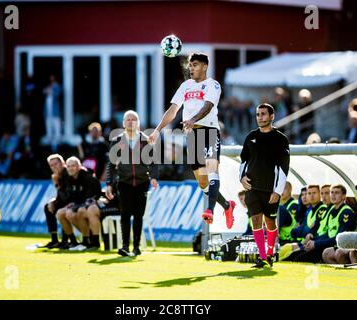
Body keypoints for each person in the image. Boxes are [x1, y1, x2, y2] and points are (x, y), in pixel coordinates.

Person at [148, 52, 235, 229]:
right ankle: (227, 206)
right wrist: (157, 130)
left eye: (195, 64)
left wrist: (193, 119)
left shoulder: (213, 85)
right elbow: (173, 109)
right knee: (202, 182)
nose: (191, 68)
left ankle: (209, 210)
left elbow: (208, 106)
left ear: (204, 66)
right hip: (192, 135)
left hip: (209, 131)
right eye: (190, 65)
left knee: (212, 171)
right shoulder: (185, 86)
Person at [239, 103, 290, 268]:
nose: (259, 117)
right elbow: (243, 161)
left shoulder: (281, 139)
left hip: (270, 190)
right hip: (252, 188)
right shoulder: (251, 136)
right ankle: (262, 257)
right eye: (257, 114)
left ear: (271, 116)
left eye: (263, 114)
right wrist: (241, 178)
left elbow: (284, 167)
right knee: (255, 220)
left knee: (270, 223)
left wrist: (278, 191)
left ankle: (270, 253)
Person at [106, 110, 159, 257]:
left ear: (138, 123)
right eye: (128, 119)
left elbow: (154, 162)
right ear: (123, 123)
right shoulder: (117, 140)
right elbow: (110, 164)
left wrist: (154, 177)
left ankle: (136, 247)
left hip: (142, 182)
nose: (130, 121)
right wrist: (109, 184)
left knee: (138, 215)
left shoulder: (146, 140)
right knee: (125, 214)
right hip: (124, 182)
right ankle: (124, 246)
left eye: (133, 119)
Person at [56, 157, 102, 250]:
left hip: (92, 205)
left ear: (79, 166)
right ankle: (73, 242)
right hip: (79, 204)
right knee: (60, 213)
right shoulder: (69, 178)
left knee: (76, 212)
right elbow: (66, 196)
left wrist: (75, 205)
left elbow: (91, 199)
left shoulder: (88, 177)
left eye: (73, 166)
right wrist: (71, 203)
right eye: (68, 166)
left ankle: (88, 241)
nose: (70, 168)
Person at [41, 154, 70, 248]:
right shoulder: (56, 176)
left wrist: (57, 183)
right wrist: (53, 202)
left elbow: (69, 195)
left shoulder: (69, 173)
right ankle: (54, 240)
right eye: (51, 165)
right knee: (48, 207)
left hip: (73, 201)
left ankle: (65, 240)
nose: (54, 167)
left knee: (62, 209)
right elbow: (61, 194)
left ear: (63, 163)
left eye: (56, 164)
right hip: (65, 200)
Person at [43, 74, 62, 151]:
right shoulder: (48, 87)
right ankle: (50, 142)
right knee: (49, 128)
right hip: (48, 113)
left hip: (55, 112)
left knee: (57, 127)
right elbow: (44, 91)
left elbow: (57, 94)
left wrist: (50, 91)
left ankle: (57, 143)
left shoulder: (57, 86)